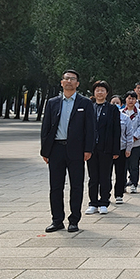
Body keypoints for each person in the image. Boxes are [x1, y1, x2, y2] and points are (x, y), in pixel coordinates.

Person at [40, 69, 95, 233]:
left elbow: (90, 128)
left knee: (76, 186)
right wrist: (45, 151)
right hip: (56, 149)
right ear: (62, 82)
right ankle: (57, 220)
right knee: (55, 186)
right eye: (66, 79)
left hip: (76, 150)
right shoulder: (52, 103)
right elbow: (45, 128)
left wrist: (88, 149)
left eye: (73, 79)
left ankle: (74, 220)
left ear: (77, 83)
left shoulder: (85, 103)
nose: (69, 81)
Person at [84, 81, 122, 215]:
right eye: (97, 90)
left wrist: (116, 149)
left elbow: (117, 130)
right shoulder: (89, 107)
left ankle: (104, 202)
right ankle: (93, 202)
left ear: (107, 93)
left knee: (105, 176)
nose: (99, 93)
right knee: (93, 176)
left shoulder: (112, 109)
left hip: (106, 148)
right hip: (91, 148)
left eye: (102, 90)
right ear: (94, 93)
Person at [122, 91, 140, 193]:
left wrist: (134, 137)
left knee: (134, 165)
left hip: (136, 144)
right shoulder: (121, 112)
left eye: (133, 98)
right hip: (123, 144)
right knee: (123, 166)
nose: (131, 100)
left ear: (136, 100)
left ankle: (134, 183)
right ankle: (122, 184)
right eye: (129, 98)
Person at [111, 94, 132, 205]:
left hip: (122, 148)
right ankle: (105, 194)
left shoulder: (125, 118)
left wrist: (128, 148)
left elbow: (129, 134)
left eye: (117, 103)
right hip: (108, 150)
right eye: (113, 103)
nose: (115, 105)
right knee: (106, 174)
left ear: (121, 104)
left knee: (120, 172)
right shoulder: (107, 117)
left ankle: (119, 194)